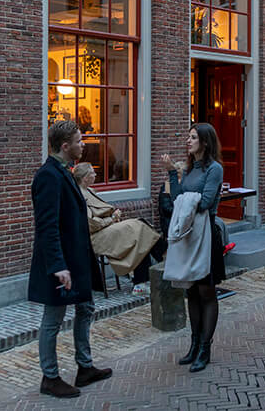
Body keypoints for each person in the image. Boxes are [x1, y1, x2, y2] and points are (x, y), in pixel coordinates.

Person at [28, 121, 112, 399]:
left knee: (86, 308)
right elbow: (47, 226)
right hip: (62, 263)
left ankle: (84, 367)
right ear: (65, 146)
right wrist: (57, 266)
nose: (83, 144)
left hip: (78, 259)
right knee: (53, 318)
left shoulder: (66, 172)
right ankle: (49, 377)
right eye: (79, 140)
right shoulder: (48, 176)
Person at [161, 123, 226, 373]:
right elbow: (178, 199)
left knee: (206, 292)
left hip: (207, 237)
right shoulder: (189, 170)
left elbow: (206, 203)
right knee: (191, 292)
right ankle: (194, 344)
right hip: (190, 236)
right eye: (188, 137)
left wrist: (185, 201)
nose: (188, 141)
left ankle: (205, 348)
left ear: (205, 142)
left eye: (193, 138)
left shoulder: (214, 169)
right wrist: (171, 174)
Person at [72, 162, 164, 295]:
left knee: (141, 232)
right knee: (138, 226)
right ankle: (165, 256)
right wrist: (113, 218)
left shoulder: (90, 191)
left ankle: (141, 282)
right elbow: (90, 223)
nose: (96, 174)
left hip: (106, 229)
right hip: (96, 236)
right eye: (92, 172)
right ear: (85, 177)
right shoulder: (80, 195)